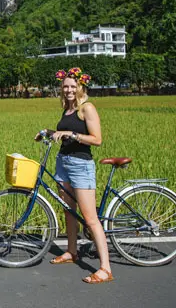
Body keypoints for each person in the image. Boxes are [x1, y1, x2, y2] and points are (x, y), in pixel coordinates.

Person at [49, 68, 113, 284]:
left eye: (72, 86)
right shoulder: (68, 108)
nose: (68, 89)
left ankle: (105, 268)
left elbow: (97, 139)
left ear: (80, 86)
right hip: (63, 163)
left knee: (90, 218)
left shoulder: (87, 108)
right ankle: (71, 251)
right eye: (65, 86)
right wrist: (48, 133)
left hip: (80, 165)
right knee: (69, 211)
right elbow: (64, 132)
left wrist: (71, 134)